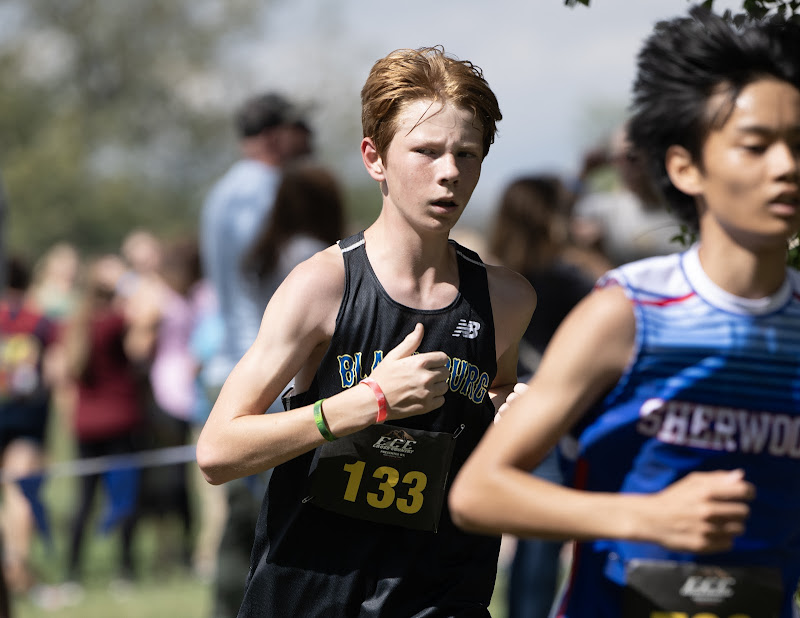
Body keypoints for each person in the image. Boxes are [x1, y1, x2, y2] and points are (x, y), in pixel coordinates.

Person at [449, 7, 800, 618]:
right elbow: (478, 493)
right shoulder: (629, 313)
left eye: (799, 144)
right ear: (684, 167)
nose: (786, 166)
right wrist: (647, 517)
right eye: (756, 146)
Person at [197, 45, 535, 616]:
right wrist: (366, 403)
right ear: (374, 158)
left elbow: (495, 388)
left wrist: (511, 409)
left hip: (444, 597)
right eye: (426, 152)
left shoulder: (507, 299)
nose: (449, 171)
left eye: (467, 154)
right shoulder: (321, 287)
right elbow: (217, 450)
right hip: (311, 595)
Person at [199, 91, 313, 618]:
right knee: (277, 516)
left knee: (244, 519)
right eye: (298, 127)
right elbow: (278, 280)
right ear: (273, 136)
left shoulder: (223, 190)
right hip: (260, 372)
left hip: (231, 363)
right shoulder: (264, 193)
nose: (308, 138)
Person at [486, 175, 595, 618]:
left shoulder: (487, 275)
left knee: (528, 538)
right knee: (547, 538)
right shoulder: (570, 278)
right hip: (555, 413)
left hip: (503, 410)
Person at [62, 254, 147, 587]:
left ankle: (72, 572)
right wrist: (127, 279)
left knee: (83, 499)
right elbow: (145, 313)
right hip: (119, 421)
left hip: (86, 424)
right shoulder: (113, 322)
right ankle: (125, 571)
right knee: (124, 496)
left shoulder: (76, 327)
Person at [0, 256, 59, 596]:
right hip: (25, 418)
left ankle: (14, 570)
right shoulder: (40, 321)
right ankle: (18, 570)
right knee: (19, 492)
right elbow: (54, 373)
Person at [571, 122, 683, 267]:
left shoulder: (691, 204)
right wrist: (584, 174)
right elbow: (550, 215)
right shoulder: (605, 211)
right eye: (615, 159)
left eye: (631, 157)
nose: (624, 166)